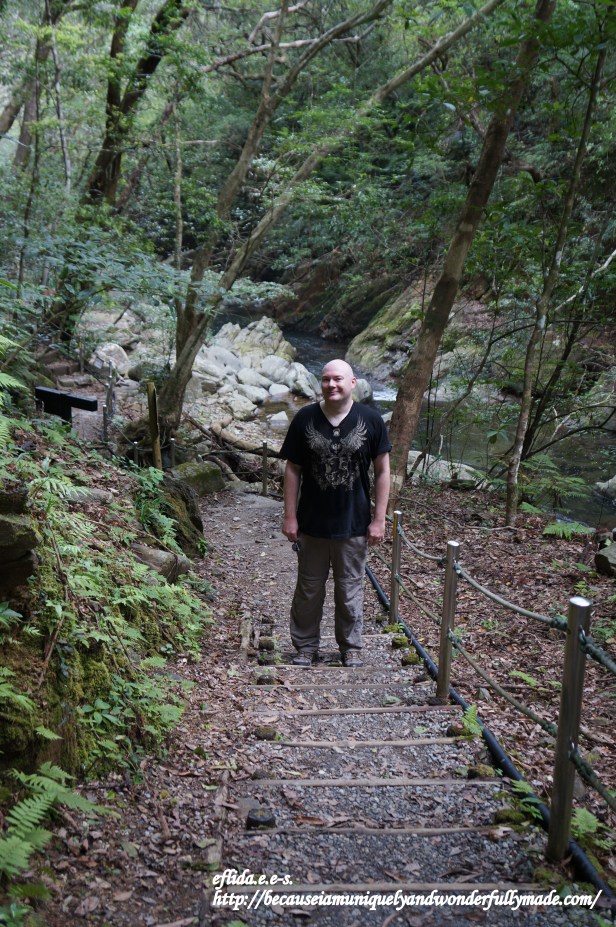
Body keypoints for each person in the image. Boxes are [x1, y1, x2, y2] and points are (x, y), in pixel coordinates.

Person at [280, 359, 391, 667]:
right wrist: (290, 516)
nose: (331, 385)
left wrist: (379, 519)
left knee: (350, 590)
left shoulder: (371, 420)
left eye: (338, 379)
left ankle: (351, 647)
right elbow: (292, 469)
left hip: (353, 524)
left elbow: (383, 471)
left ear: (352, 382)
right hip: (312, 525)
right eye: (326, 379)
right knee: (308, 590)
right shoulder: (305, 419)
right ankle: (305, 647)